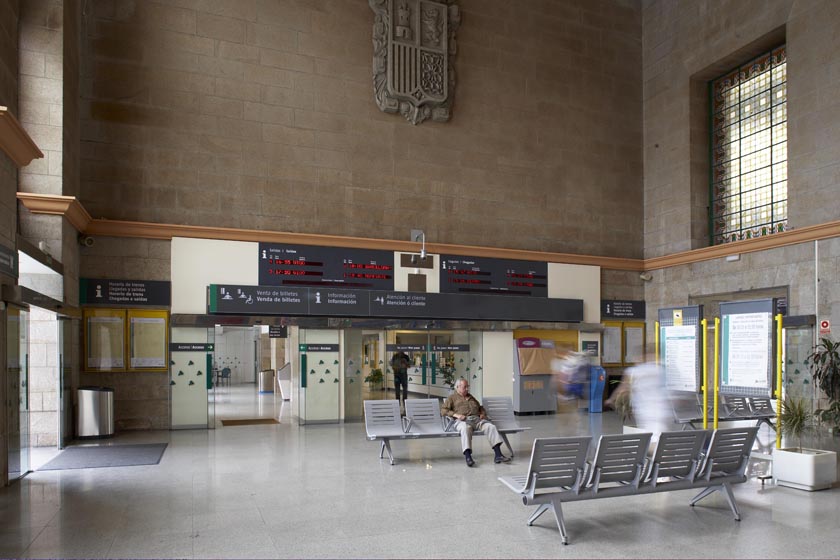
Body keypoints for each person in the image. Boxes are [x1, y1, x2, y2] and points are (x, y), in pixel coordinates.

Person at [441, 378, 511, 467]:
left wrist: (482, 413)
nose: (467, 389)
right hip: (462, 421)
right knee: (465, 429)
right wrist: (456, 415)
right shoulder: (452, 398)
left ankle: (498, 455)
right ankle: (468, 457)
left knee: (491, 427)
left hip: (477, 420)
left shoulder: (471, 397)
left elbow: (480, 407)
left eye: (467, 387)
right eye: (464, 387)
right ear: (457, 387)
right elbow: (443, 410)